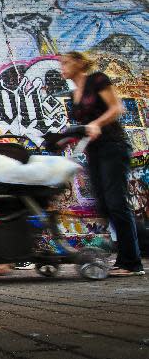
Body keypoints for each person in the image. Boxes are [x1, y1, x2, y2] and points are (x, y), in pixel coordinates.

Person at [60, 51, 144, 276]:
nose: (62, 67)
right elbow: (84, 126)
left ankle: (131, 263)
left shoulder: (97, 80)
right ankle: (131, 251)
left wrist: (97, 123)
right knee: (105, 206)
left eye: (66, 62)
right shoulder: (74, 95)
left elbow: (117, 108)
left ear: (79, 62)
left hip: (113, 146)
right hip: (94, 152)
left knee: (117, 203)